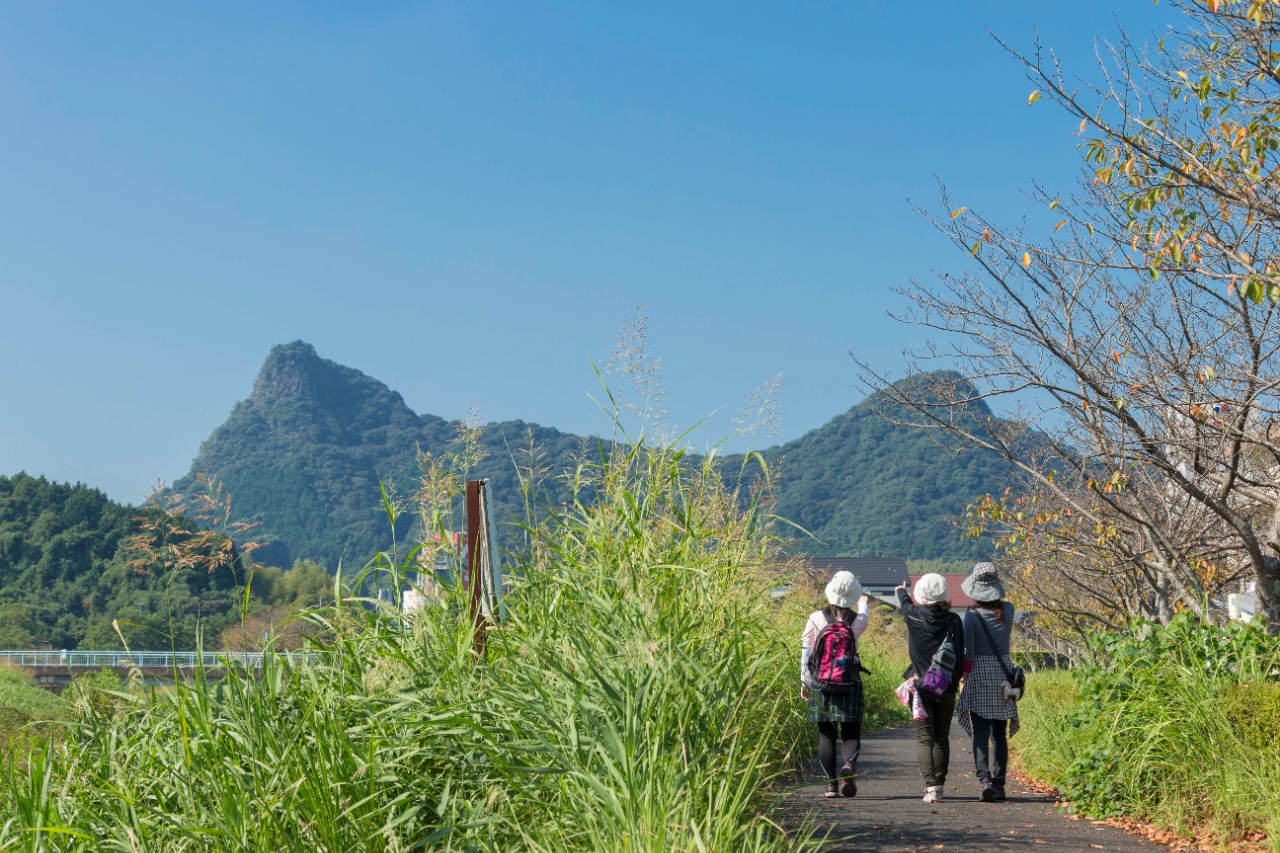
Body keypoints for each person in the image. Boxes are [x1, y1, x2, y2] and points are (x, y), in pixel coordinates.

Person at [896, 573, 964, 804]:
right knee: (942, 737)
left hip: (920, 688)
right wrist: (954, 684)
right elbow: (960, 655)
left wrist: (901, 591)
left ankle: (931, 787)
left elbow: (905, 603)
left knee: (925, 738)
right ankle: (940, 786)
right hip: (945, 687)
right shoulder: (954, 620)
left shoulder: (913, 616)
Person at [801, 571, 870, 798]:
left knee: (826, 735)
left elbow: (806, 651)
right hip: (849, 682)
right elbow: (863, 615)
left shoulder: (816, 617)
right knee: (851, 731)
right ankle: (849, 764)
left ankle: (831, 786)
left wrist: (805, 681)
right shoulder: (858, 621)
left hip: (821, 683)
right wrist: (864, 604)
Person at [956, 561, 1020, 802]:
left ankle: (984, 780)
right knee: (999, 734)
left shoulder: (971, 617)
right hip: (1004, 674)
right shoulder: (1009, 610)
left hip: (980, 673)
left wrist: (964, 677)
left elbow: (969, 654)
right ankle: (1000, 784)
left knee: (981, 732)